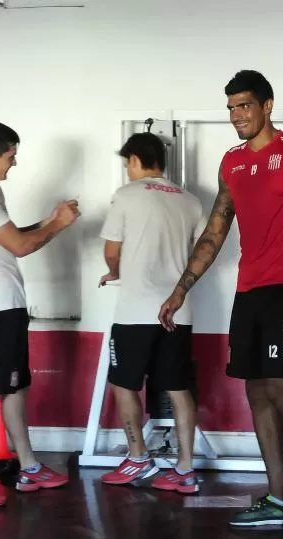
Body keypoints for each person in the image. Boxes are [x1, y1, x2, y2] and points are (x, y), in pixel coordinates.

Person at [159, 70, 283, 539]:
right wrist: (183, 287)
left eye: (244, 105)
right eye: (231, 108)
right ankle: (279, 496)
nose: (237, 115)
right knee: (256, 392)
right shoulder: (232, 163)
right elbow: (216, 231)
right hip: (250, 289)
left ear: (267, 105)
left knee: (279, 387)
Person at [0, 119, 80, 507]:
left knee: (16, 386)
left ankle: (29, 467)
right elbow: (21, 247)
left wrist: (50, 220)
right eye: (10, 157)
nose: (14, 164)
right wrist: (58, 225)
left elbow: (12, 235)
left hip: (7, 304)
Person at [98, 132, 205, 494]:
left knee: (124, 383)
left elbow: (112, 250)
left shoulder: (126, 196)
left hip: (136, 310)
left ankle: (138, 457)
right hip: (179, 309)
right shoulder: (190, 201)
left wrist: (115, 270)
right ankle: (186, 468)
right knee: (178, 387)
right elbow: (204, 251)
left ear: (133, 161)